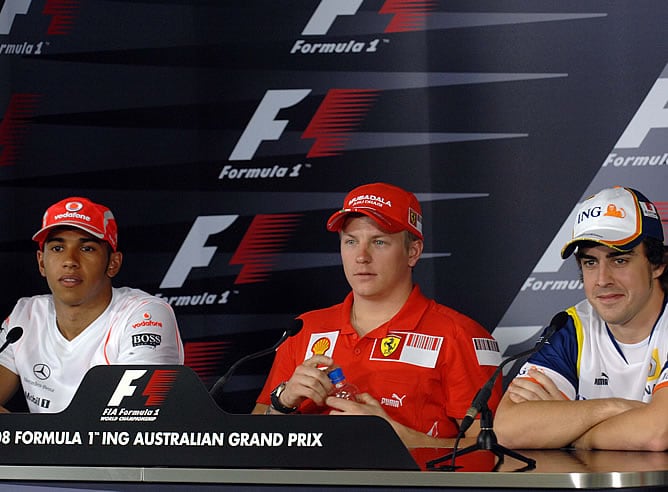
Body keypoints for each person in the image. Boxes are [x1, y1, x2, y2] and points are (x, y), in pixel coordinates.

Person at [252, 182, 502, 448]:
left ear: (412, 252)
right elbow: (251, 442)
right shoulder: (305, 328)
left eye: (379, 242)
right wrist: (282, 403)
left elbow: (493, 450)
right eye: (351, 241)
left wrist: (401, 439)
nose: (361, 256)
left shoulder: (459, 335)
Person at [495, 186, 668, 451]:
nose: (602, 280)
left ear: (657, 264)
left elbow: (657, 433)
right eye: (590, 263)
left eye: (619, 261)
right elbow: (508, 429)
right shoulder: (574, 325)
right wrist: (613, 408)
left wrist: (571, 433)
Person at [0, 197, 184, 413]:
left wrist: (27, 438)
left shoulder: (144, 315)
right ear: (41, 262)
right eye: (58, 248)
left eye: (87, 248)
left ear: (113, 263)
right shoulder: (27, 316)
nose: (70, 260)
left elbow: (133, 420)